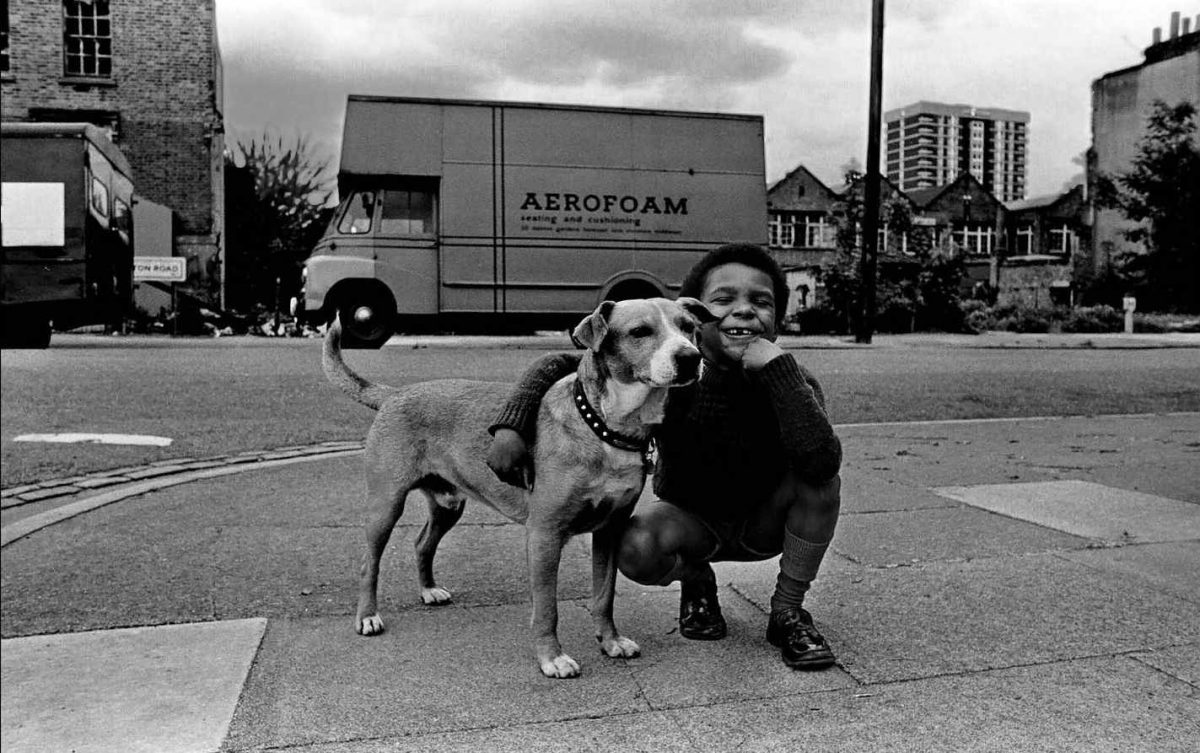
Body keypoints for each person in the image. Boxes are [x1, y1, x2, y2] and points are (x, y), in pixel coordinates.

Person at [486, 243, 843, 670]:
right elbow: (562, 363)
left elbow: (821, 463)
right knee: (633, 545)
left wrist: (779, 371)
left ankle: (787, 611)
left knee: (822, 482)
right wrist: (511, 423)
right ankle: (696, 582)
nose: (744, 311)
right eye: (724, 300)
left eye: (761, 302)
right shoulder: (670, 378)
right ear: (704, 320)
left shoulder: (792, 380)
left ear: (777, 322)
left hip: (764, 525)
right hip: (694, 524)